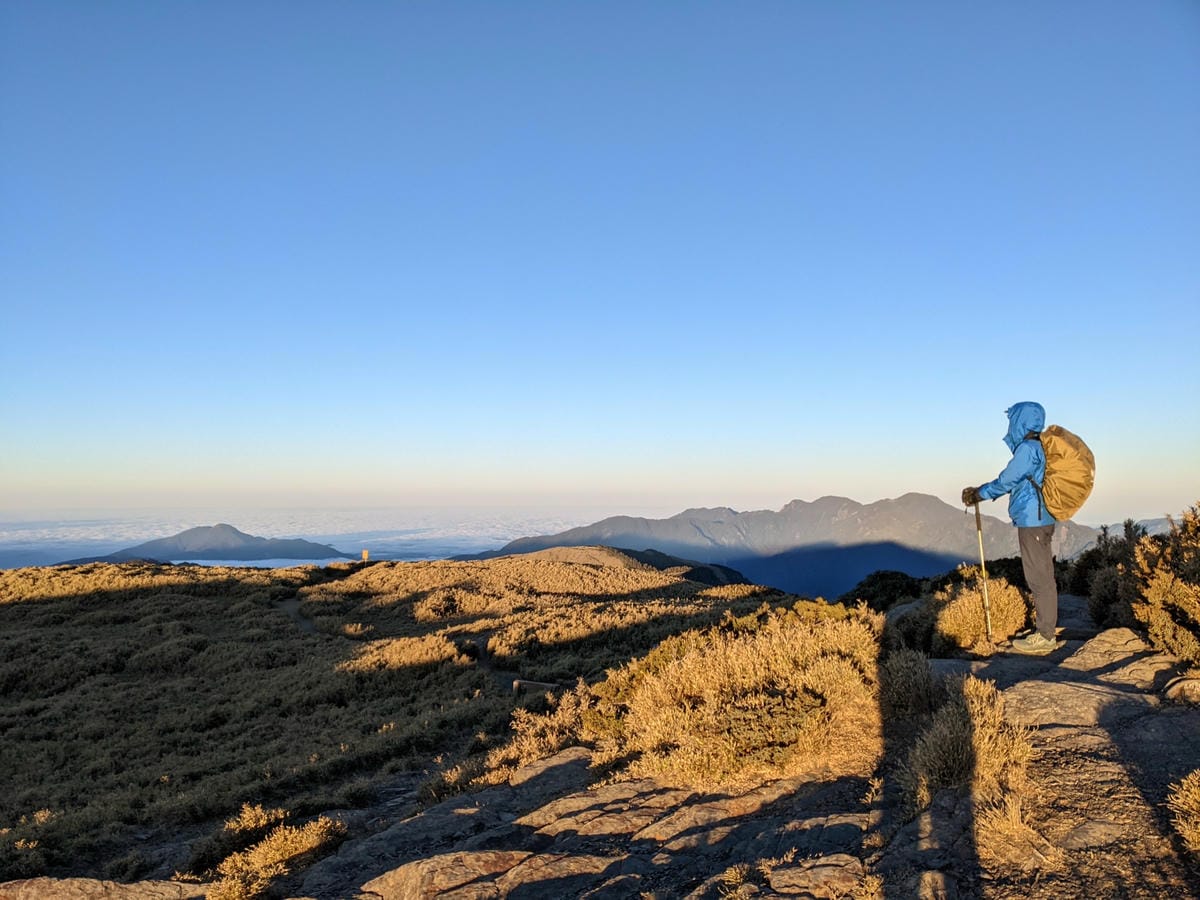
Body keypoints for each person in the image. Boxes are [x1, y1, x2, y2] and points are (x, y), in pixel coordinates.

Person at [962, 401, 1059, 655]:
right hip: (1041, 517)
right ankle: (1045, 630)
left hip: (1033, 520)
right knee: (1043, 575)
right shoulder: (1040, 445)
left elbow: (1007, 480)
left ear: (1021, 422)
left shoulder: (1027, 449)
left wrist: (979, 494)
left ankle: (1045, 637)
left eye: (1013, 421)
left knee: (1039, 578)